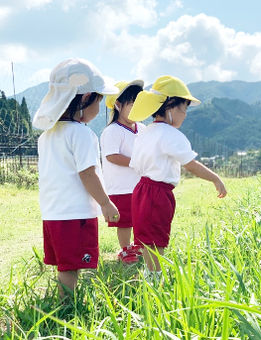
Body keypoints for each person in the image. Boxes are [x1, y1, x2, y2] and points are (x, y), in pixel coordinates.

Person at [32, 58, 120, 297]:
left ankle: (62, 300)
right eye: (99, 101)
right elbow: (88, 172)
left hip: (53, 211)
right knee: (71, 267)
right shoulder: (81, 134)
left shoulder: (47, 136)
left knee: (65, 263)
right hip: (76, 213)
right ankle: (66, 308)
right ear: (85, 98)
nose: (99, 108)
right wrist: (105, 202)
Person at [128, 75, 227, 279]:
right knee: (157, 238)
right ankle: (155, 278)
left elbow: (135, 164)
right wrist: (215, 178)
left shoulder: (144, 133)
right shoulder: (171, 135)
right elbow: (191, 164)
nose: (185, 115)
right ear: (170, 107)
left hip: (140, 190)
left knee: (146, 237)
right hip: (158, 192)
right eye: (184, 109)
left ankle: (150, 273)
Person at [100, 80, 145, 264]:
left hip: (140, 185)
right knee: (125, 221)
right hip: (121, 186)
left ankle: (139, 246)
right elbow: (112, 156)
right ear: (118, 105)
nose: (136, 110)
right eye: (132, 105)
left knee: (142, 218)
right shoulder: (112, 131)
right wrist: (138, 163)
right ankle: (125, 249)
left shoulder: (142, 129)